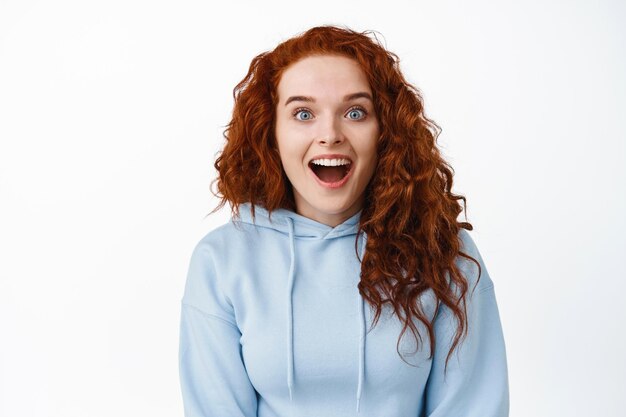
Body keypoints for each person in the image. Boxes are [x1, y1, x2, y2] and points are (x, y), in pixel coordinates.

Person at [178, 25, 509, 417]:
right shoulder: (222, 261)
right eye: (303, 114)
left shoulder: (445, 252)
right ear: (271, 132)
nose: (330, 135)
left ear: (385, 130)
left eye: (355, 112)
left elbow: (473, 408)